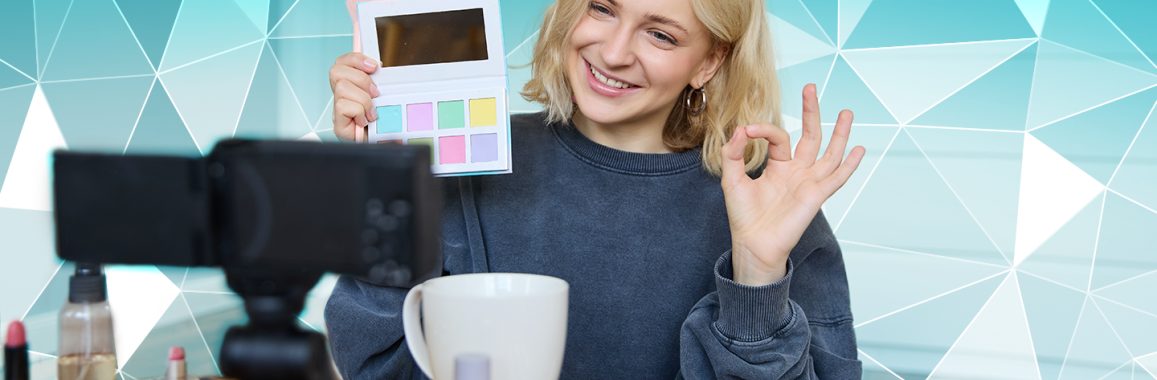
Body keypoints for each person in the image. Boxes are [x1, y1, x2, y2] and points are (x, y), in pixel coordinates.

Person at [324, 0, 866, 378]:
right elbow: (376, 365)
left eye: (660, 34)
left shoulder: (770, 208)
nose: (612, 53)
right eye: (603, 7)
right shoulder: (458, 161)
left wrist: (757, 277)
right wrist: (389, 187)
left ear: (709, 61)